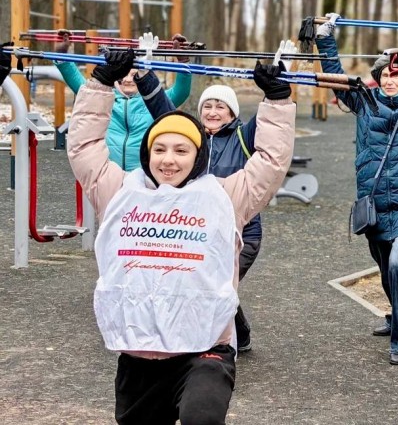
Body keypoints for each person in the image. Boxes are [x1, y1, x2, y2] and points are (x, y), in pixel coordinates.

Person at [67, 49, 295, 424]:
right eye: (160, 149)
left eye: (181, 150)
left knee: (200, 420)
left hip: (206, 350)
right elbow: (84, 148)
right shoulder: (118, 190)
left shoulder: (225, 196)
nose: (168, 159)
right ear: (147, 152)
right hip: (140, 352)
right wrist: (100, 83)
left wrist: (277, 101)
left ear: (198, 155)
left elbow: (269, 163)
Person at [315, 13, 398, 366]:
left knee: (397, 264)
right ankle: (396, 312)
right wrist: (325, 37)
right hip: (375, 204)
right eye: (384, 76)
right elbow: (334, 77)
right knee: (384, 269)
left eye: (396, 74)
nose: (389, 81)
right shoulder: (365, 103)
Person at [136, 74, 266, 354]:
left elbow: (270, 121)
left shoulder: (245, 136)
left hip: (241, 233)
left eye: (220, 106)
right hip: (200, 231)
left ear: (232, 113)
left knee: (214, 284)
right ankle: (239, 333)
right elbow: (165, 113)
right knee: (212, 283)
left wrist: (275, 88)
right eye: (208, 106)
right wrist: (144, 77)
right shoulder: (192, 140)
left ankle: (210, 342)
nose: (213, 112)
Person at [54, 31, 193, 171]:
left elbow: (181, 92)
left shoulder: (155, 99)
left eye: (133, 75)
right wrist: (62, 55)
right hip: (110, 173)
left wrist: (183, 62)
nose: (127, 80)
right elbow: (80, 85)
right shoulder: (104, 98)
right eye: (123, 76)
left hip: (144, 175)